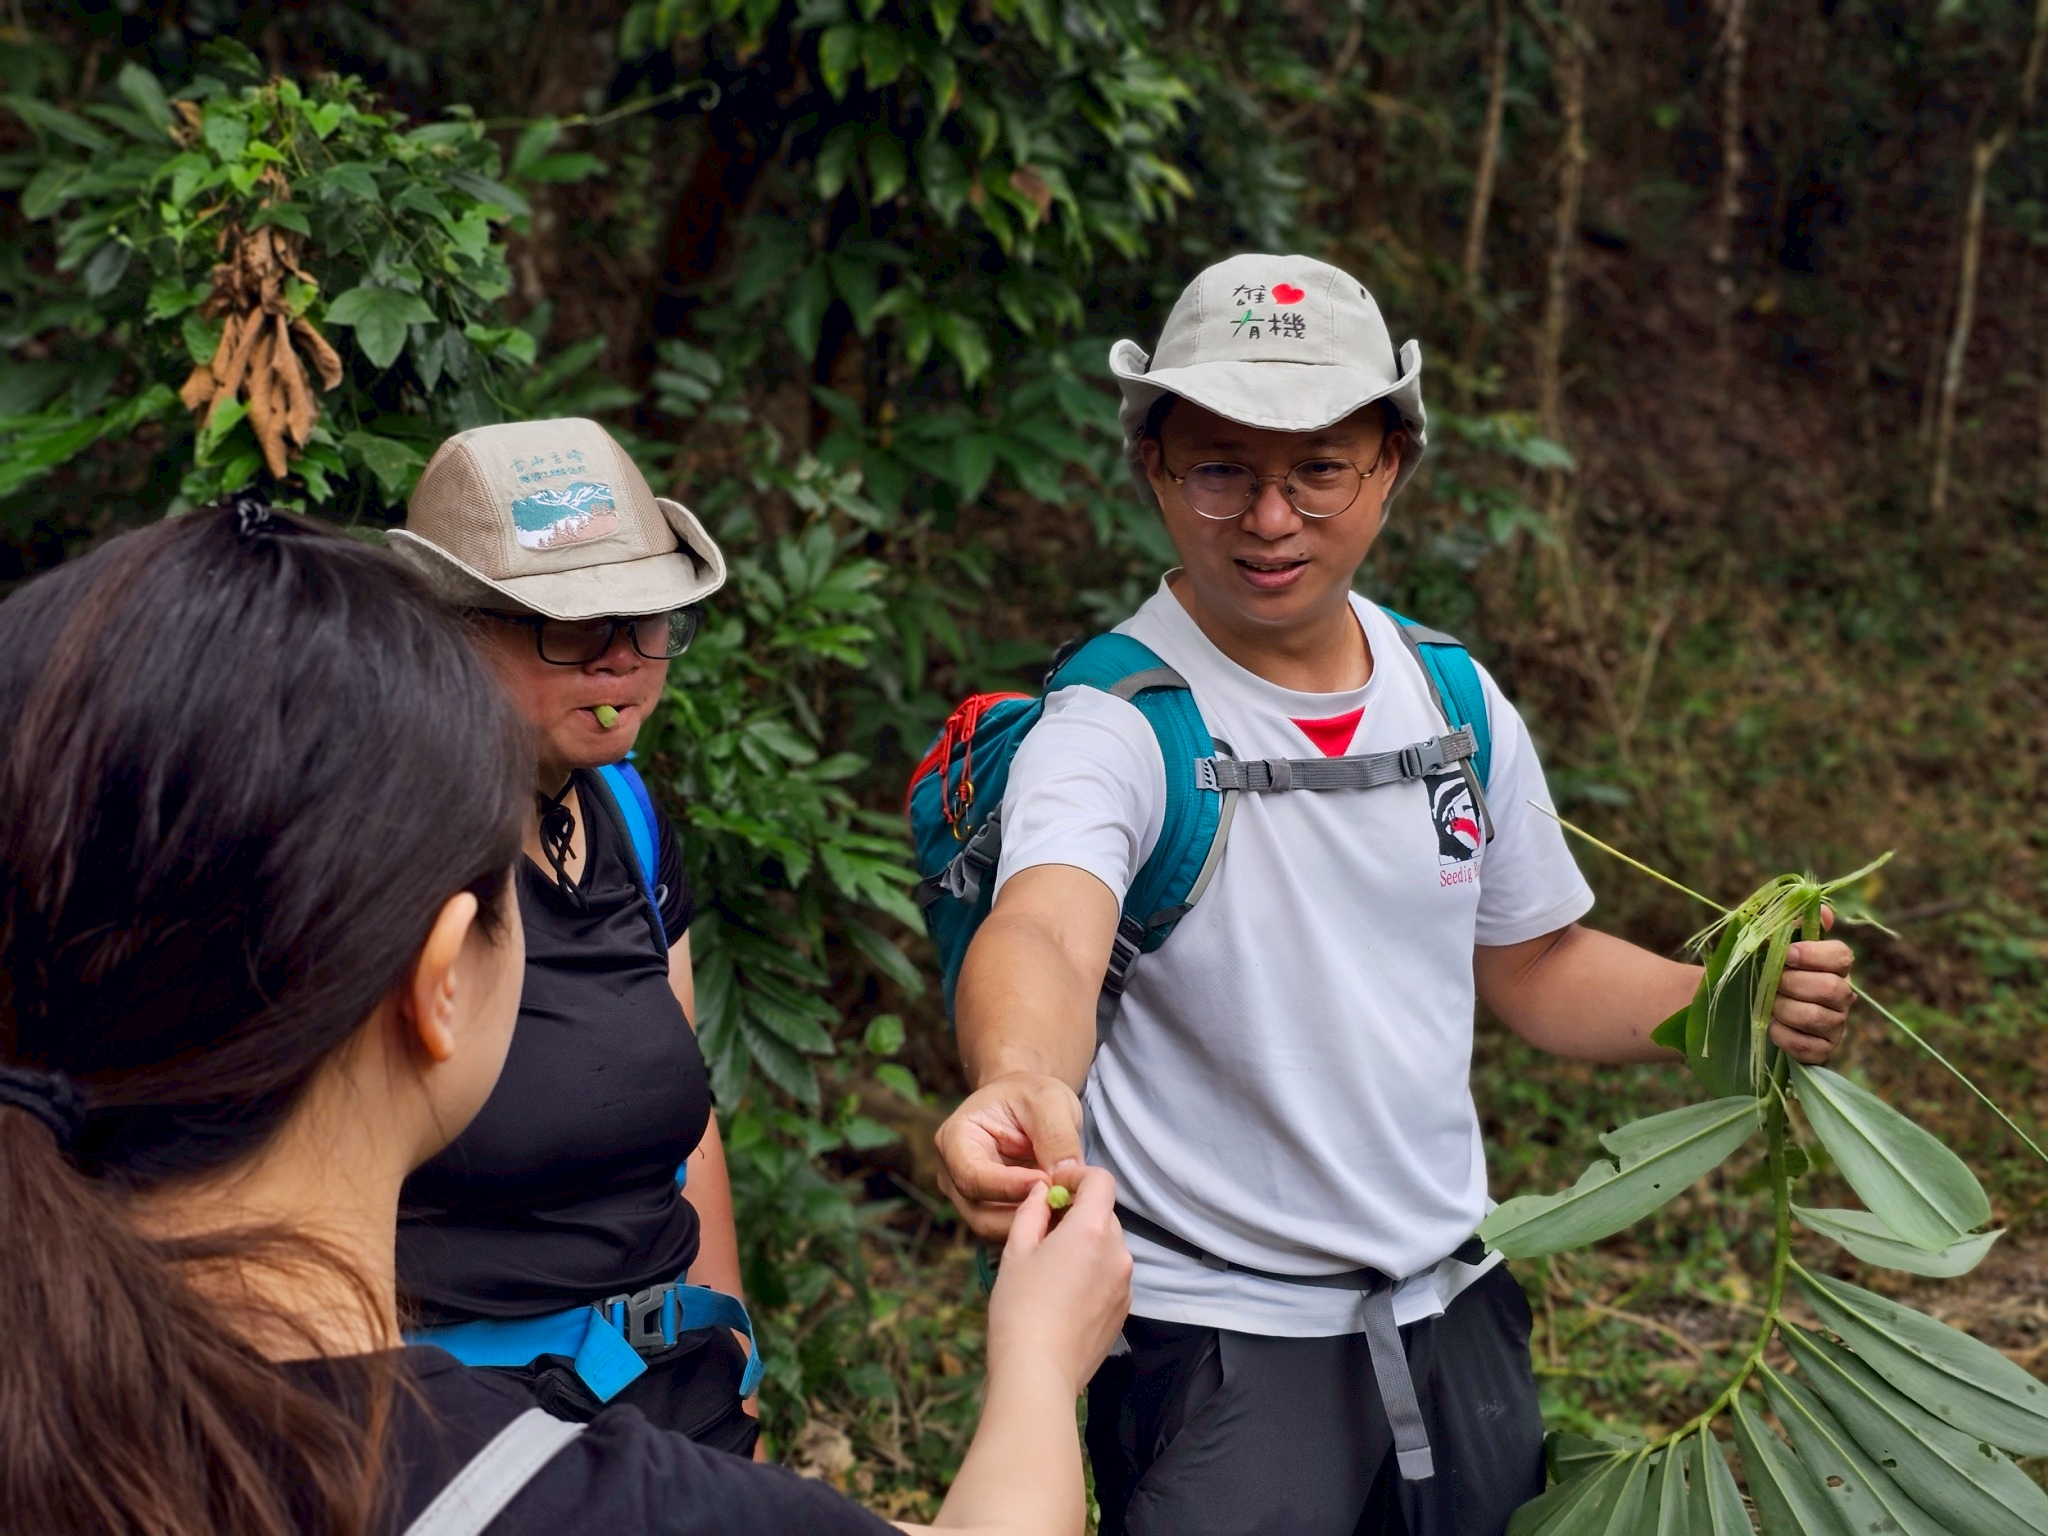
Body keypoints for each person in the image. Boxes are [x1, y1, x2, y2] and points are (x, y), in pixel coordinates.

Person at [928, 255, 1858, 1536]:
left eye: (1316, 469)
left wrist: (1721, 1004)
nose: (1267, 519)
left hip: (1456, 1307)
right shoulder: (1117, 720)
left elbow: (1536, 964)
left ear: (1390, 468)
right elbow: (1044, 921)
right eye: (1218, 470)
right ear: (1151, 469)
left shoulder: (1450, 696)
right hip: (1215, 1342)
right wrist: (1020, 1072)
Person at [0, 503, 1131, 1536]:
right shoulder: (548, 1498)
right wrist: (1035, 1362)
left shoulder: (62, 1395)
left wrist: (722, 1341)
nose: (617, 659)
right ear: (438, 978)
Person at [385, 419, 757, 1450]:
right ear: (452, 628)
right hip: (461, 1425)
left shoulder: (624, 819)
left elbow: (687, 1130)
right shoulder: (379, 854)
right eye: (569, 626)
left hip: (671, 1393)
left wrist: (734, 1356)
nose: (622, 660)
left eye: (644, 620)